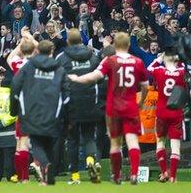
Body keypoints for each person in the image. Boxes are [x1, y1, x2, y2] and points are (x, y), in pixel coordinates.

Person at [68, 32, 149, 185]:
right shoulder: (138, 61)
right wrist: (142, 101)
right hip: (131, 106)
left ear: (115, 45)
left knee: (115, 143)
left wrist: (77, 78)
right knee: (132, 141)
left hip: (114, 107)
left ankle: (116, 175)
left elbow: (95, 76)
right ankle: (134, 174)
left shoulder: (110, 61)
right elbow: (145, 87)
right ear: (128, 45)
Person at [11, 40, 69, 186]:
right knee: (48, 143)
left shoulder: (28, 66)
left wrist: (14, 108)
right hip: (53, 111)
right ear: (51, 52)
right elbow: (66, 92)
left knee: (34, 143)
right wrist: (67, 116)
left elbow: (15, 85)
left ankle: (35, 171)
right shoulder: (58, 68)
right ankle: (46, 173)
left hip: (31, 110)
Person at [55, 28, 102, 184]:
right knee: (89, 137)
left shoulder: (62, 58)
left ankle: (75, 176)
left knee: (73, 140)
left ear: (68, 41)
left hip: (71, 104)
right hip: (90, 102)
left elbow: (57, 80)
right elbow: (100, 78)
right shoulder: (93, 57)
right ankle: (90, 160)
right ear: (81, 41)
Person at [147, 47, 186, 183]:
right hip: (176, 113)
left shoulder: (159, 71)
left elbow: (149, 68)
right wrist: (179, 60)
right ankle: (173, 177)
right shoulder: (182, 72)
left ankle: (164, 172)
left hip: (162, 112)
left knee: (160, 142)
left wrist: (159, 59)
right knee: (175, 146)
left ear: (165, 58)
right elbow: (186, 67)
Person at [6, 27, 37, 183]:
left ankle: (22, 177)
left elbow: (10, 57)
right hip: (39, 106)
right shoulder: (40, 63)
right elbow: (42, 48)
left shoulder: (18, 64)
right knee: (40, 141)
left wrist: (21, 42)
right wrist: (29, 37)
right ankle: (39, 168)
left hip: (23, 107)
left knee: (21, 143)